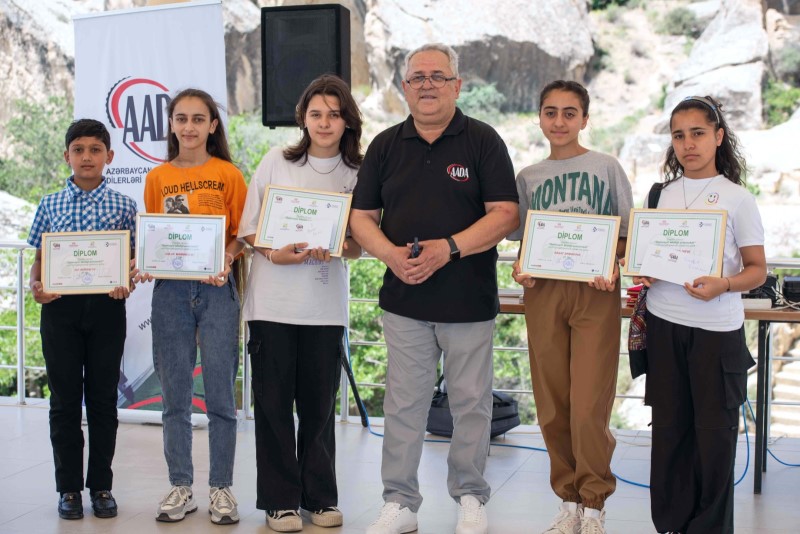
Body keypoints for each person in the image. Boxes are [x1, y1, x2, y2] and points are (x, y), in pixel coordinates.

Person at [350, 43, 519, 534]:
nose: (427, 84)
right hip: (404, 302)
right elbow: (361, 218)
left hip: (468, 301)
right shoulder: (385, 145)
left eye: (437, 76)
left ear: (456, 86)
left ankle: (470, 497)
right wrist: (389, 254)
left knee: (471, 405)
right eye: (417, 77)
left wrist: (450, 248)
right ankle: (400, 504)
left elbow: (505, 215)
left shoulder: (483, 140)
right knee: (403, 405)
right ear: (404, 88)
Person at [238, 74, 363, 533]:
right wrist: (274, 253)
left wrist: (340, 247)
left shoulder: (358, 173)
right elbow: (249, 228)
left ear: (347, 121)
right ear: (302, 119)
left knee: (319, 408)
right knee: (272, 408)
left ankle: (320, 498)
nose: (325, 122)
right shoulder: (277, 161)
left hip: (324, 308)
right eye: (316, 114)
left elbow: (359, 245)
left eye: (334, 114)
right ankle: (280, 502)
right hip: (272, 305)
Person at [637, 96, 765, 534]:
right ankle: (672, 524)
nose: (688, 144)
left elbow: (757, 270)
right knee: (669, 433)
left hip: (715, 332)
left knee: (714, 436)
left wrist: (724, 284)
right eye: (679, 135)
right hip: (664, 325)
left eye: (698, 133)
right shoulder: (660, 194)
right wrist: (647, 269)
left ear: (718, 136)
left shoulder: (738, 199)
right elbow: (651, 257)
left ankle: (710, 528)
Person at [509, 80, 633, 534]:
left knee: (588, 405)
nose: (559, 121)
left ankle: (594, 503)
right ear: (539, 118)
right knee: (552, 403)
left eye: (569, 112)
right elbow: (525, 242)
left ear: (584, 119)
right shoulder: (528, 177)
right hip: (544, 292)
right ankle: (567, 500)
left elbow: (626, 235)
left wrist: (613, 261)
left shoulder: (606, 167)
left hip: (595, 291)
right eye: (550, 112)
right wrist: (521, 269)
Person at [139, 88, 247, 525]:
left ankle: (221, 488)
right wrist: (147, 262)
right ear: (171, 125)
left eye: (198, 119)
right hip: (170, 293)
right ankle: (180, 486)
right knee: (175, 398)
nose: (189, 127)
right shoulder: (157, 177)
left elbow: (242, 235)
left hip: (217, 291)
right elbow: (155, 235)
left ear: (213, 126)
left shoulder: (228, 174)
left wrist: (228, 258)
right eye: (181, 119)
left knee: (220, 394)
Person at [27, 118, 138, 520]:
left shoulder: (125, 206)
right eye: (79, 150)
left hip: (107, 309)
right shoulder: (50, 204)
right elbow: (39, 260)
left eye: (95, 150)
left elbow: (132, 261)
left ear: (109, 156)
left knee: (104, 400)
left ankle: (101, 486)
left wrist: (127, 282)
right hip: (60, 309)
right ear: (66, 156)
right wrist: (36, 286)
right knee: (64, 401)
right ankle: (69, 489)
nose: (87, 157)